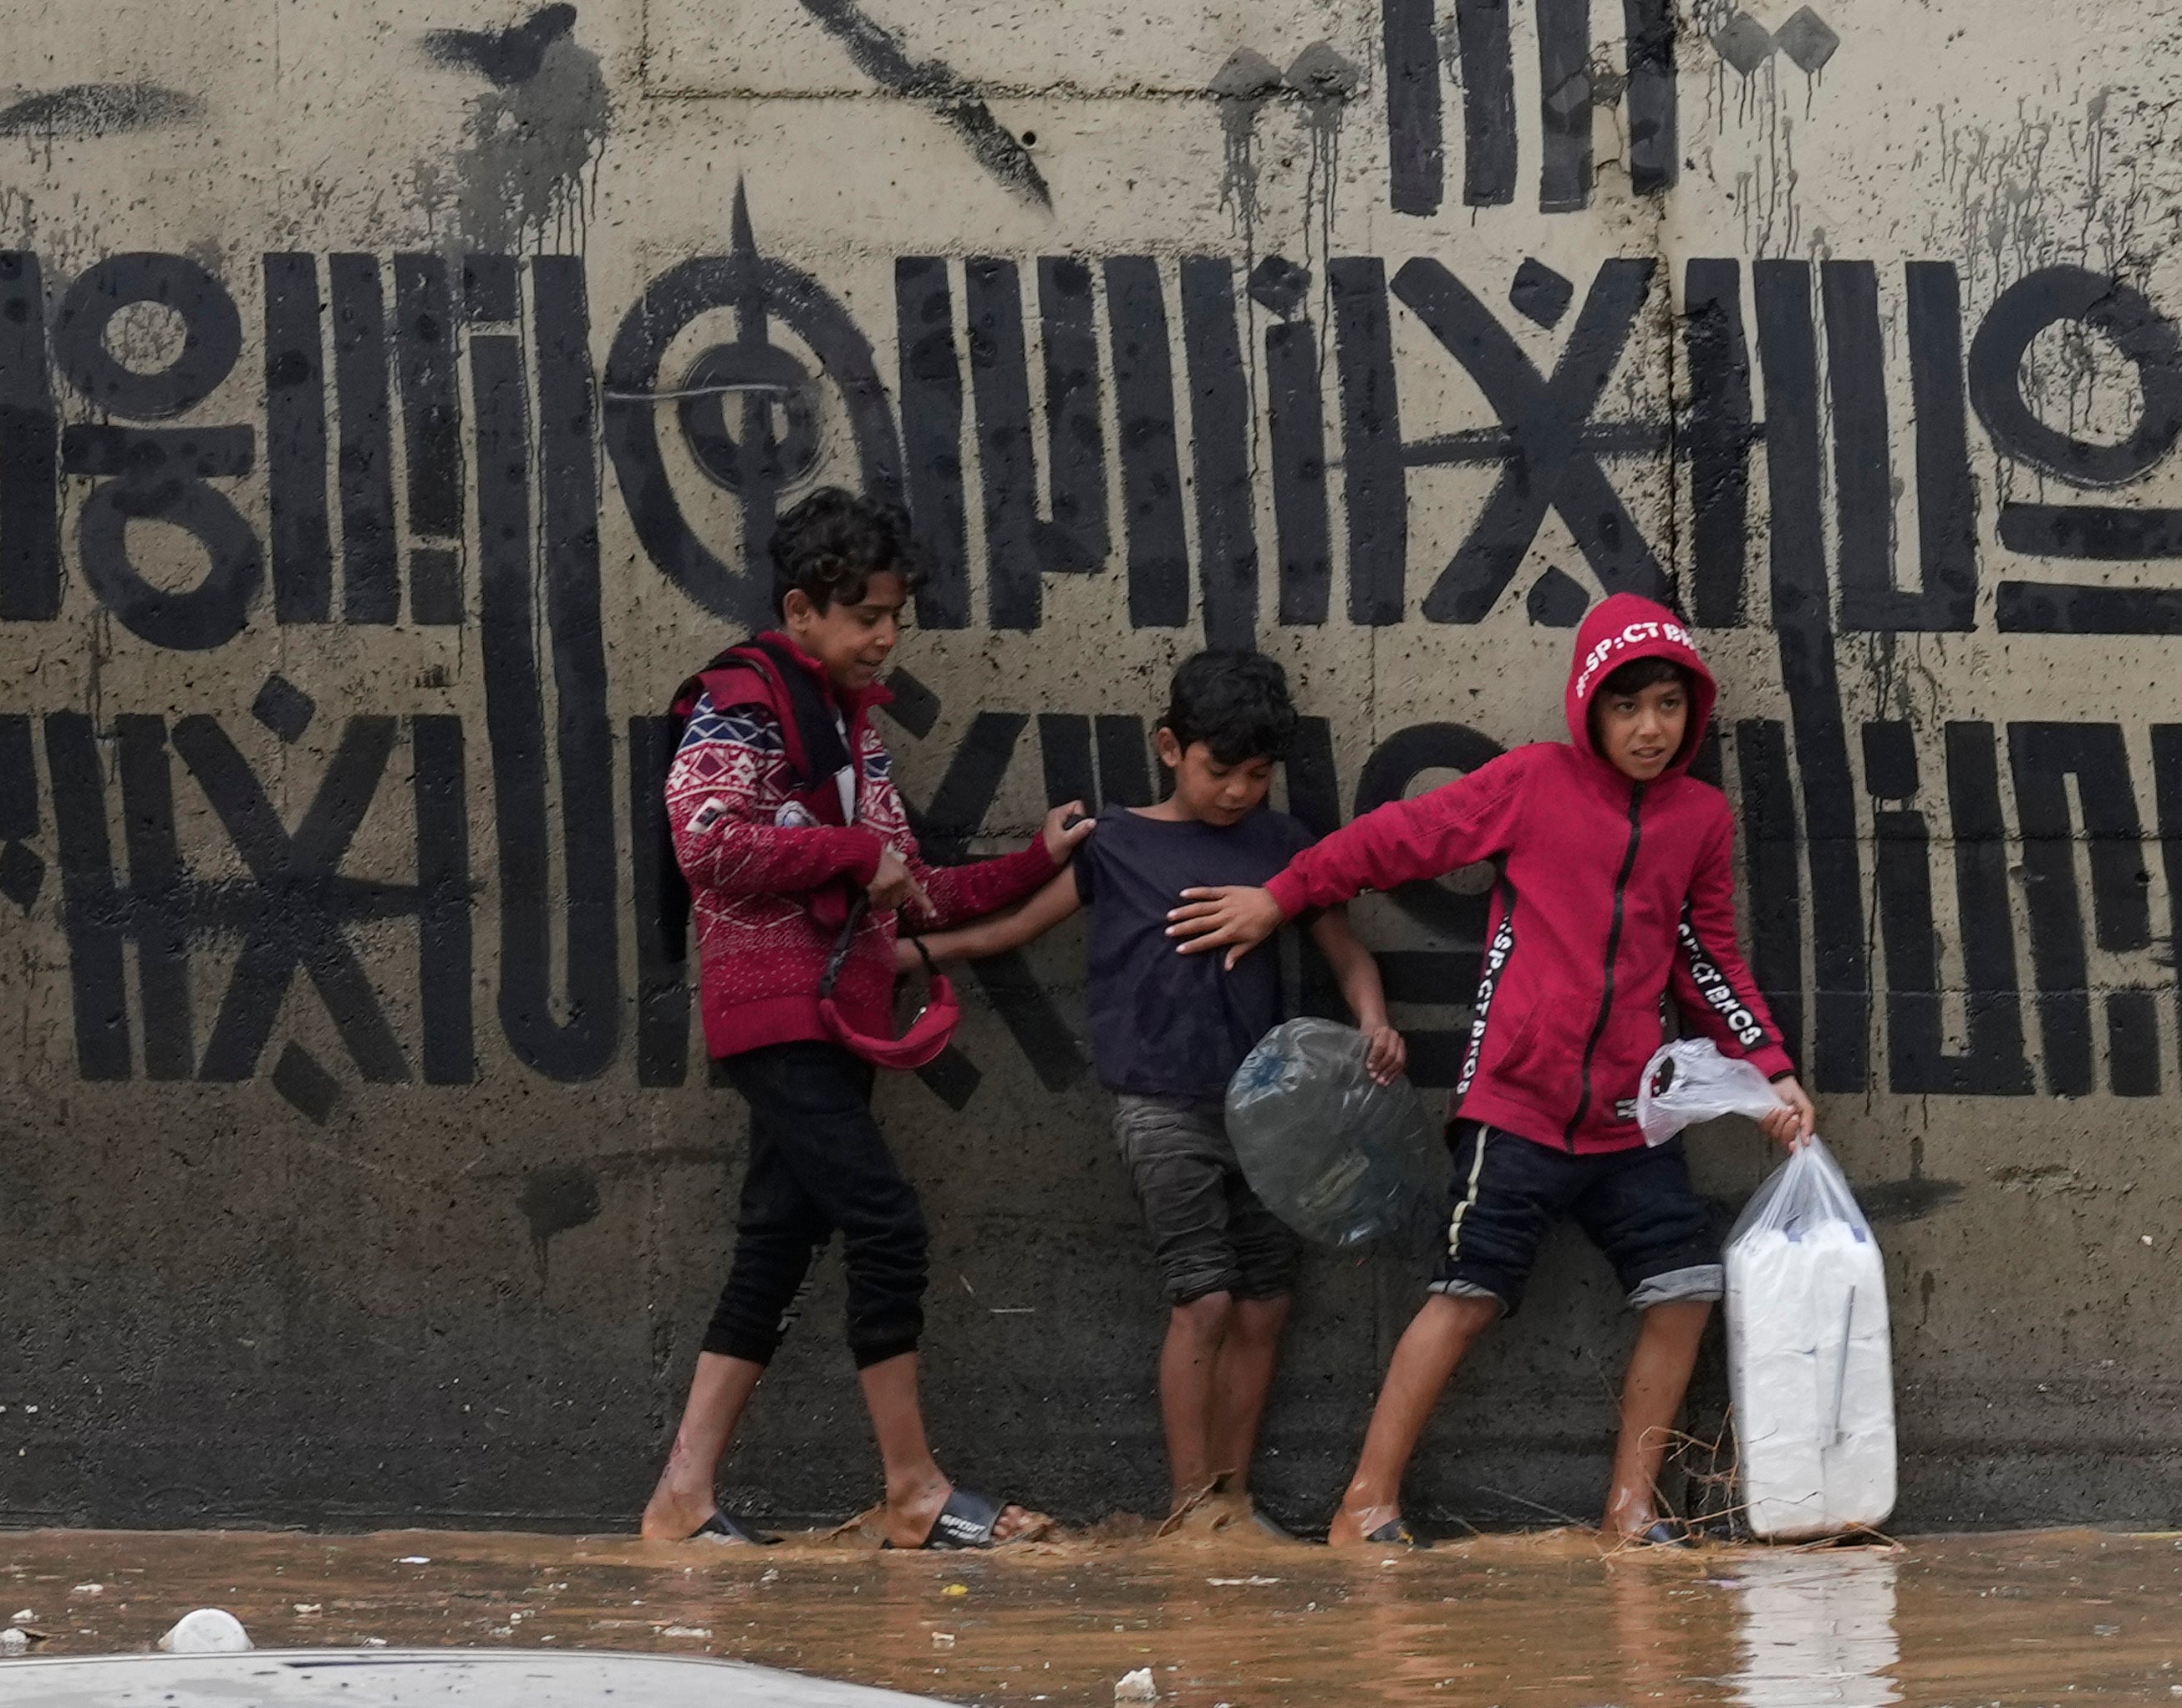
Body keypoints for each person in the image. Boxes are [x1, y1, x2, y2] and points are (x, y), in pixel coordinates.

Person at [1165, 592, 1808, 1553]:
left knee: (1685, 1288)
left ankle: (1631, 1512)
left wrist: (1771, 1071)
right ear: (1588, 705)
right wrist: (1281, 896)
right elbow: (1395, 841)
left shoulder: (1699, 820)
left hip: (1634, 1119)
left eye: (1669, 706)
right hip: (1517, 1107)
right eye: (1627, 706)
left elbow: (1706, 952)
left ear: (1694, 711)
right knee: (1465, 1295)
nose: (1648, 729)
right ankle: (1365, 1504)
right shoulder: (1533, 784)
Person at [631, 488, 1071, 1551]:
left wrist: (1036, 863)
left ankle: (680, 1502)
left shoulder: (849, 733)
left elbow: (910, 884)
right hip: (772, 1014)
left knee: (776, 1247)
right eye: (866, 617)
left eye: (895, 619)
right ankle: (912, 1487)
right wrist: (848, 855)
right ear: (802, 607)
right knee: (886, 1225)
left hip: (837, 1017)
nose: (885, 639)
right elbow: (707, 843)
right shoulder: (739, 701)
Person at [1033, 649, 1401, 1536]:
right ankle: (1188, 1504)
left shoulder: (1281, 846)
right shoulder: (1117, 842)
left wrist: (1374, 1019)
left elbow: (1343, 948)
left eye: (1257, 774)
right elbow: (1018, 920)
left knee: (1266, 1303)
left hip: (1266, 1111)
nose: (1238, 791)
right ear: (1169, 747)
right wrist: (921, 953)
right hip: (1159, 1107)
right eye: (1218, 769)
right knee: (1202, 1298)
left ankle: (1232, 1500)